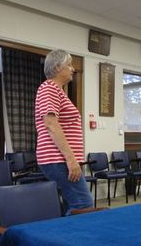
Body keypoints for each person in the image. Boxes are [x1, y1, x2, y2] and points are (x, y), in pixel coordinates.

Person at [35, 49, 93, 213]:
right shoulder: (49, 88)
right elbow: (51, 124)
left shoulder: (56, 90)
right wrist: (70, 159)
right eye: (69, 65)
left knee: (73, 204)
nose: (73, 69)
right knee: (83, 204)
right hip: (57, 158)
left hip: (59, 158)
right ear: (58, 67)